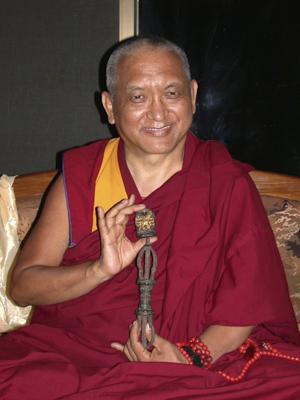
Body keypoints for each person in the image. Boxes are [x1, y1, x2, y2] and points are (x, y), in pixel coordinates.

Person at [1, 36, 300, 399]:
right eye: (138, 97)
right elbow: (23, 286)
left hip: (196, 360)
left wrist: (189, 356)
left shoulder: (225, 182)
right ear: (110, 106)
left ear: (192, 95)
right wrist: (98, 270)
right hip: (82, 356)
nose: (158, 113)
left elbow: (247, 302)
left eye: (172, 93)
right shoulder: (85, 177)